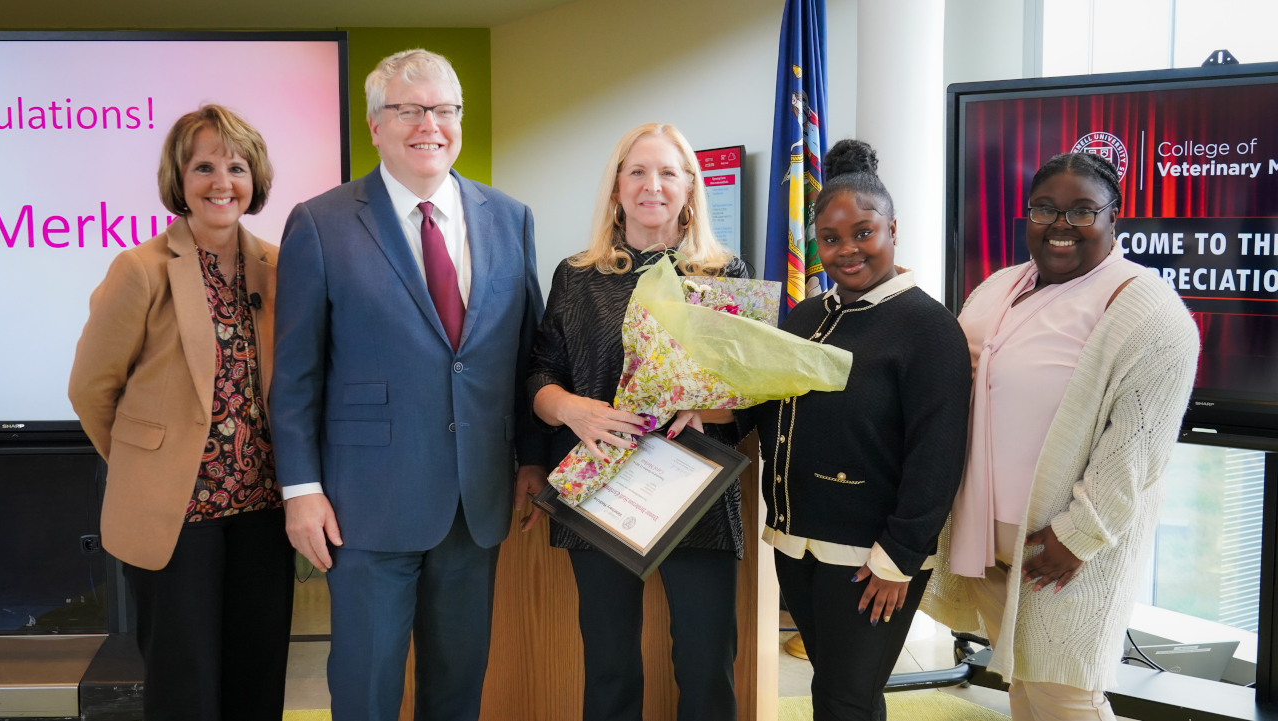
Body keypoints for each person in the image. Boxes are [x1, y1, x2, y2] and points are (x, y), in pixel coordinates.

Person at [269, 49, 547, 721]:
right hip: (366, 505)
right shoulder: (321, 222)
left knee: (456, 691)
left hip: (473, 500)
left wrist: (533, 458)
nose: (431, 124)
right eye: (409, 109)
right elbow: (296, 374)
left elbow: (528, 355)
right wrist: (300, 490)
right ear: (375, 125)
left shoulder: (509, 218)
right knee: (366, 691)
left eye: (444, 109)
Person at [921, 152, 1199, 721]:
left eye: (1081, 211)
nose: (1060, 225)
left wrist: (1078, 535)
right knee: (1024, 688)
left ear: (1114, 217)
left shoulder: (1149, 312)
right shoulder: (1000, 285)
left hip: (1061, 554)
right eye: (1045, 208)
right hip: (993, 547)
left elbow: (1138, 452)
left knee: (1067, 700)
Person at [68, 105, 290, 721]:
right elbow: (91, 387)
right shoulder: (139, 269)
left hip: (262, 512)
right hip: (176, 518)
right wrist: (147, 466)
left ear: (255, 179)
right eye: (204, 167)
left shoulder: (280, 266)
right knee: (184, 687)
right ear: (179, 179)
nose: (222, 181)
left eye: (237, 167)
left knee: (258, 676)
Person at [738, 139, 971, 721]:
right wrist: (708, 401)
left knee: (849, 697)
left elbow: (937, 453)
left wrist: (899, 557)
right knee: (832, 688)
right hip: (795, 542)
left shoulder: (929, 327)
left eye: (864, 233)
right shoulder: (806, 315)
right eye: (832, 238)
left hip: (872, 559)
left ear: (893, 228)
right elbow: (773, 404)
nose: (847, 250)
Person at [528, 123, 744, 721]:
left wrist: (708, 406)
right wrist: (573, 409)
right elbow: (538, 376)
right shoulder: (577, 275)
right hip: (602, 487)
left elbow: (751, 396)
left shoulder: (724, 273)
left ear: (691, 188)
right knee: (609, 664)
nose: (653, 185)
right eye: (638, 172)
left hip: (696, 486)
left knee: (706, 665)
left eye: (668, 172)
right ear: (618, 187)